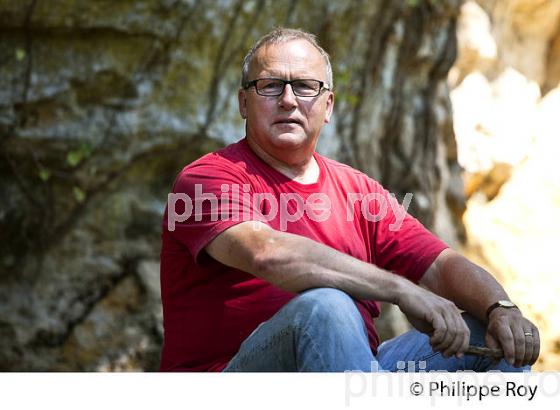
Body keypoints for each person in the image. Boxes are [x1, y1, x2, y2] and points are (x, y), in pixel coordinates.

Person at [159, 27, 540, 372]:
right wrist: (401, 290)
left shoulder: (359, 191)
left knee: (489, 337)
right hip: (231, 383)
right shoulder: (208, 178)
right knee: (326, 305)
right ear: (244, 103)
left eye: (306, 86)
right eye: (270, 86)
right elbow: (267, 253)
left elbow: (441, 265)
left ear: (328, 107)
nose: (289, 100)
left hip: (352, 373)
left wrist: (500, 308)